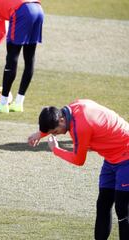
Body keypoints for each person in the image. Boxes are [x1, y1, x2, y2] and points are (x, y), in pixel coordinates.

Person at [28, 99, 129, 240]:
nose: (56, 135)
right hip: (111, 158)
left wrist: (56, 150)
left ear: (62, 120)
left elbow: (79, 160)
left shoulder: (80, 127)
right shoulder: (72, 109)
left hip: (126, 156)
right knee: (103, 204)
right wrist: (41, 133)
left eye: (55, 132)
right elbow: (56, 122)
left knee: (122, 209)